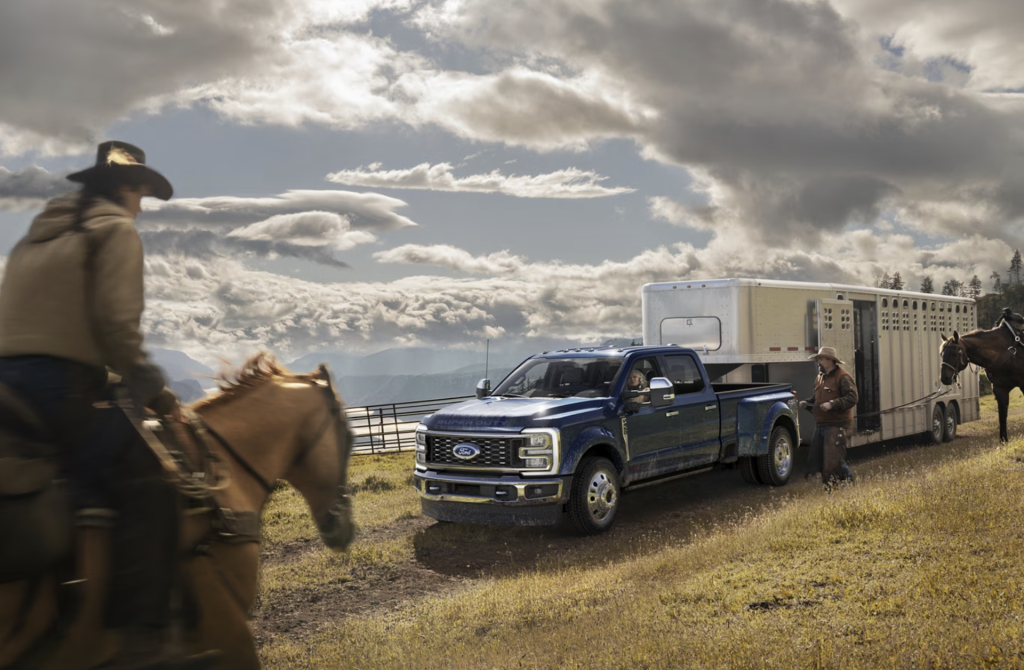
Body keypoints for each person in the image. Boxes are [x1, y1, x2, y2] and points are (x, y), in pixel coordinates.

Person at [0, 141, 218, 669]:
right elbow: (118, 329)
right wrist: (159, 395)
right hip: (61, 388)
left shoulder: (36, 236)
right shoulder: (116, 230)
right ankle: (145, 644)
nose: (141, 205)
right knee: (152, 484)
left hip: (6, 388)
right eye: (141, 193)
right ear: (126, 188)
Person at [798, 346, 858, 487]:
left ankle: (848, 483)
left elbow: (853, 397)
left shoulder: (843, 377)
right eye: (818, 359)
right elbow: (817, 398)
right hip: (821, 423)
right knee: (821, 457)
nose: (819, 362)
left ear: (830, 360)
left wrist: (832, 404)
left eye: (821, 359)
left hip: (837, 423)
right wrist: (807, 403)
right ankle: (838, 485)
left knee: (833, 459)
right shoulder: (820, 377)